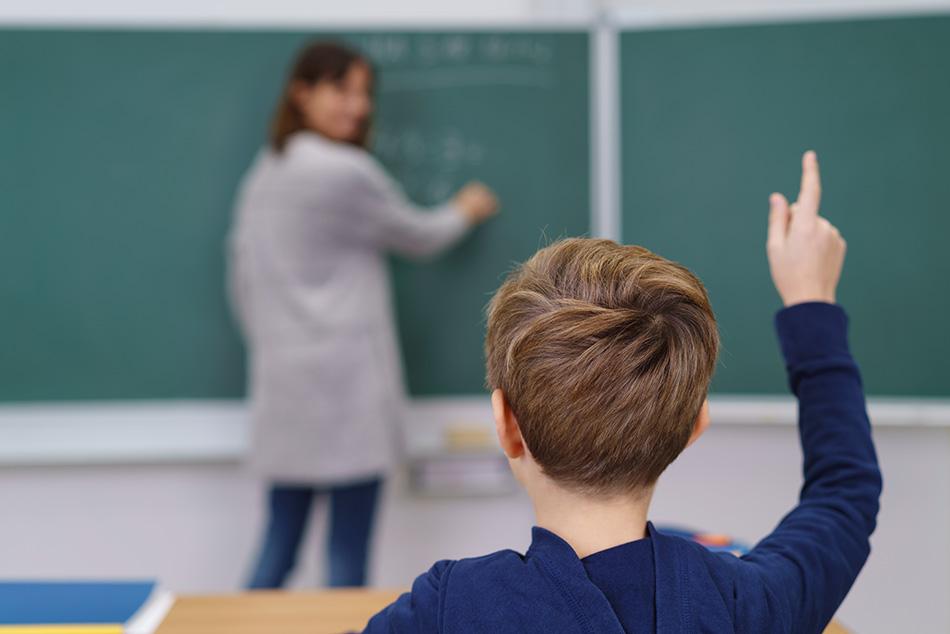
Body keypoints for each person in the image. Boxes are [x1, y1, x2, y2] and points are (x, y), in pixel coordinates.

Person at [364, 151, 881, 632]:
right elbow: (844, 497)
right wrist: (811, 302)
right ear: (692, 427)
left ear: (506, 424)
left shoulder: (450, 608)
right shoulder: (749, 603)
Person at [227, 41, 498, 589]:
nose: (358, 106)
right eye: (341, 90)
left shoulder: (266, 169)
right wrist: (465, 210)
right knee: (347, 561)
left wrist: (275, 342)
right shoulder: (345, 171)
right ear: (301, 93)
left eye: (364, 94)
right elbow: (419, 236)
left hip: (285, 387)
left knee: (278, 548)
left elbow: (240, 278)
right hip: (344, 391)